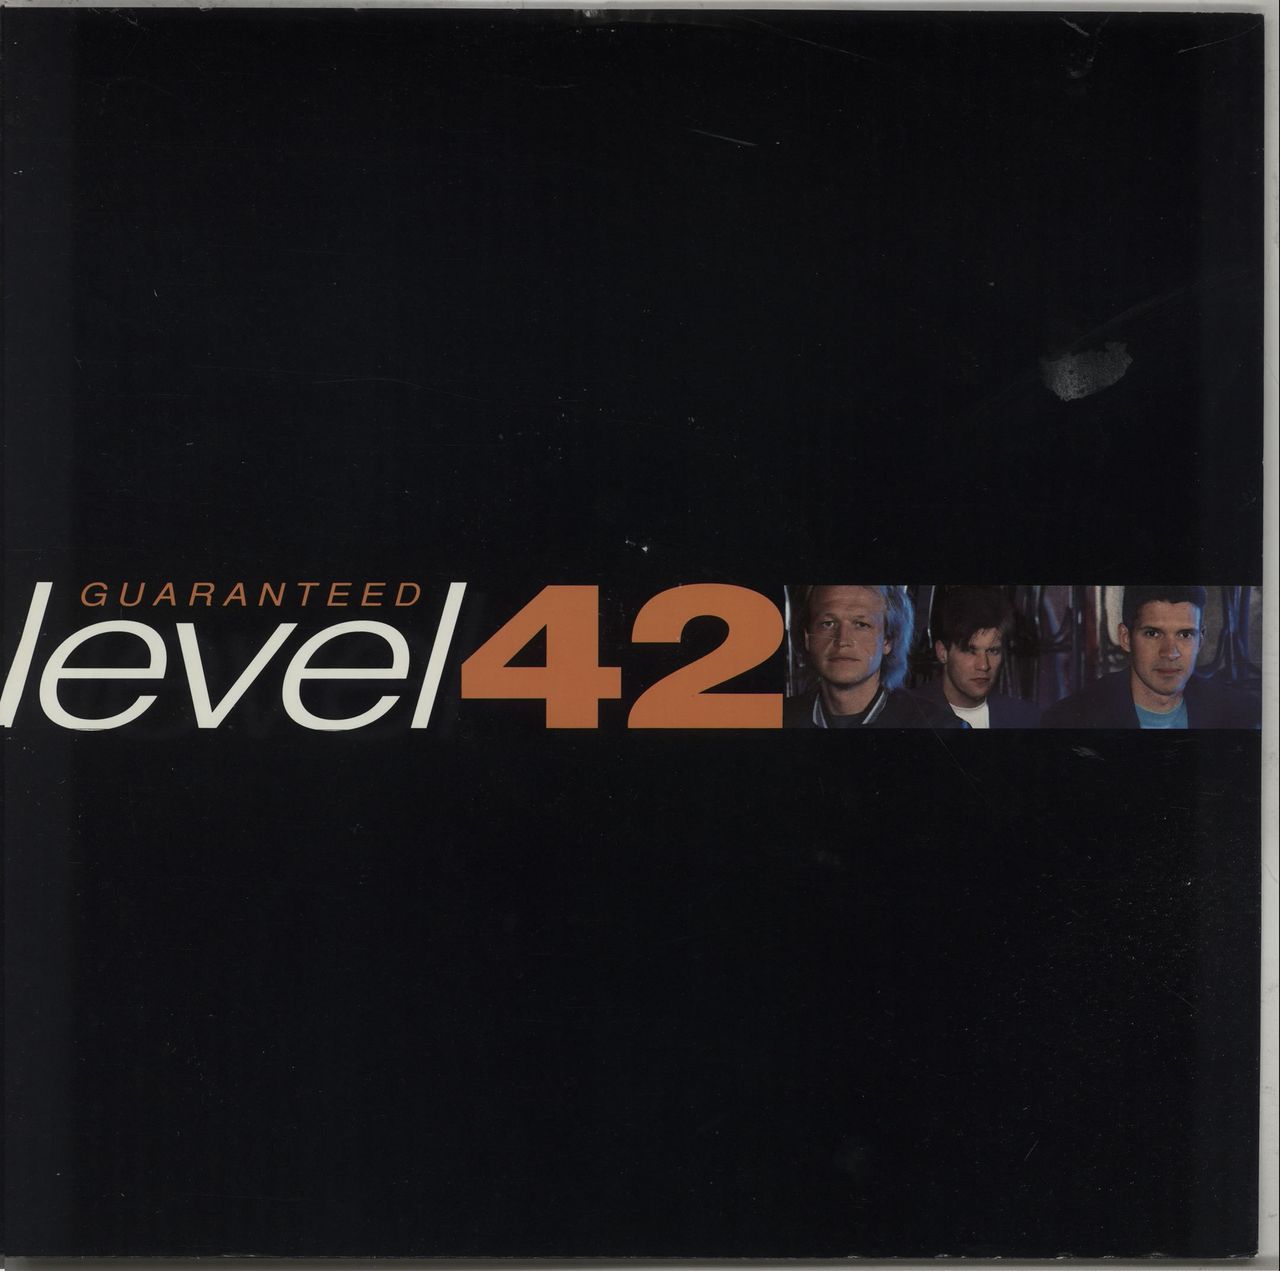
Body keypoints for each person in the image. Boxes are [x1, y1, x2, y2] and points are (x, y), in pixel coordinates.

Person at [1042, 585, 1260, 729]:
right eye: (1153, 634)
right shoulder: (1070, 720)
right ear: (1125, 638)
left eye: (1185, 635)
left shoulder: (1240, 715)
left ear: (1200, 639)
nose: (1170, 653)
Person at [784, 585, 965, 728]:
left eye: (861, 624)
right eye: (828, 623)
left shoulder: (939, 727)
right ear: (807, 638)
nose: (842, 641)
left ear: (887, 640)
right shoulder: (777, 719)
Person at [912, 587, 1041, 728]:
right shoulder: (908, 714)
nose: (984, 665)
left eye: (993, 651)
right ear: (942, 653)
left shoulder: (1026, 718)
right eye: (970, 651)